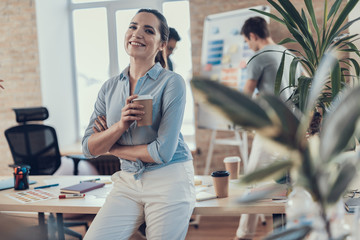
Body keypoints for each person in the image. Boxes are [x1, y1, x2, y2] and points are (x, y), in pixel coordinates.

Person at [82, 9, 195, 240]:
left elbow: (162, 152)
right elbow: (89, 148)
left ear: (162, 44)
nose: (137, 33)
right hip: (127, 180)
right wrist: (120, 126)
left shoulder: (172, 83)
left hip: (169, 178)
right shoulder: (109, 88)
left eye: (148, 30)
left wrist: (112, 148)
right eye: (133, 26)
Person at [234, 16, 301, 240]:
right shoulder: (290, 55)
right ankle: (288, 231)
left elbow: (246, 96)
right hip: (294, 128)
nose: (248, 46)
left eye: (246, 41)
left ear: (253, 36)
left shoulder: (259, 56)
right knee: (286, 182)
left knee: (253, 178)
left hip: (270, 127)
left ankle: (245, 234)